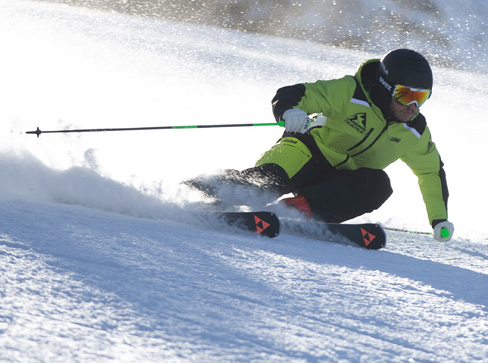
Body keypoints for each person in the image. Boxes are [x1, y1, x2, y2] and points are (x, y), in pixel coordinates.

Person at [190, 48, 454, 242]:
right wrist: (288, 111)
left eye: (421, 96)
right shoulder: (350, 92)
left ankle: (292, 210)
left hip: (338, 183)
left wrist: (439, 219)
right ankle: (198, 192)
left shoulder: (414, 130)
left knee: (379, 184)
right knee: (263, 185)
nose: (412, 105)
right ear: (386, 87)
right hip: (306, 152)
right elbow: (294, 94)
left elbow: (431, 172)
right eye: (405, 94)